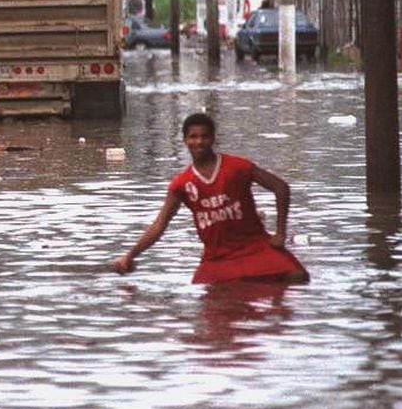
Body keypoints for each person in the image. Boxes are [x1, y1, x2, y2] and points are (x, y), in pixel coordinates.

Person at [112, 112, 309, 284]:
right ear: (185, 140)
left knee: (297, 277)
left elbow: (280, 187)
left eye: (204, 136)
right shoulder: (182, 184)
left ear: (213, 138)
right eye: (193, 137)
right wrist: (130, 255)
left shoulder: (237, 167)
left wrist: (280, 233)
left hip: (254, 247)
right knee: (214, 301)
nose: (199, 142)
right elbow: (159, 225)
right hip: (218, 258)